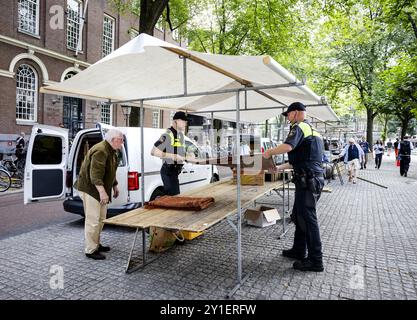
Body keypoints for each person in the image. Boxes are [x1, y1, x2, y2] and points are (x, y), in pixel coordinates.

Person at [264, 102, 325, 272]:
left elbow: (288, 147)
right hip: (309, 179)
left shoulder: (299, 127)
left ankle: (315, 260)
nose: (287, 118)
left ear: (296, 113)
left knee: (308, 219)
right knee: (299, 216)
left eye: (288, 115)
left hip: (308, 182)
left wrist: (269, 153)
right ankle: (299, 250)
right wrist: (278, 168)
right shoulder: (313, 131)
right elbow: (299, 161)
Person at [74, 129, 123, 260]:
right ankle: (90, 250)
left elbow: (110, 171)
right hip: (90, 189)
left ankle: (96, 243)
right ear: (114, 140)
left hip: (99, 189)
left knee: (101, 219)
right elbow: (95, 175)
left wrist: (114, 185)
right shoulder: (101, 150)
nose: (122, 143)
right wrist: (102, 192)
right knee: (93, 220)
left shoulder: (112, 151)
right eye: (121, 140)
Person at [151, 111, 188, 196]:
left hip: (174, 173)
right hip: (168, 172)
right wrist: (173, 156)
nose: (185, 124)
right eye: (183, 121)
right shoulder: (168, 134)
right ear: (176, 121)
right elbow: (154, 151)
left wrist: (187, 156)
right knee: (174, 198)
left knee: (175, 198)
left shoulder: (179, 135)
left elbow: (179, 152)